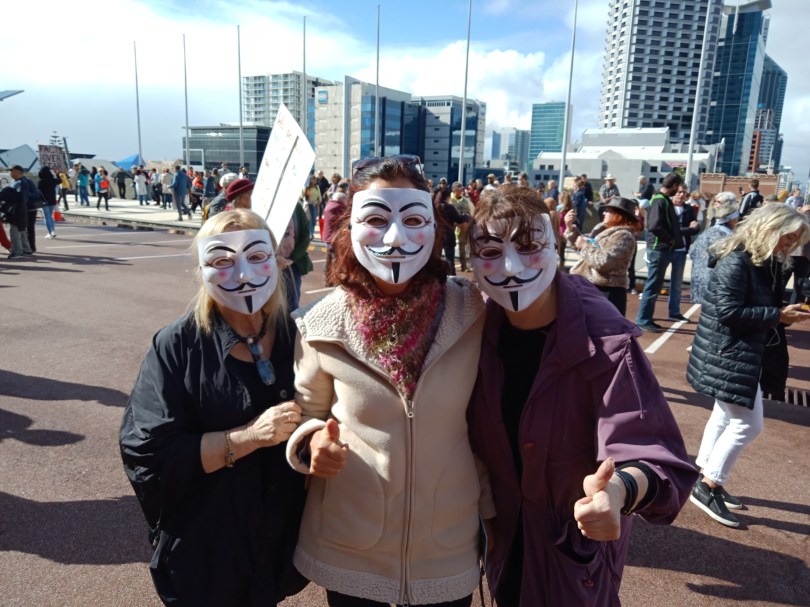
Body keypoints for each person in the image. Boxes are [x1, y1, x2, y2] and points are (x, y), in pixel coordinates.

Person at [466, 185, 696, 607]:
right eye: (491, 252)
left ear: (556, 245)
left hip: (572, 560)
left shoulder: (606, 343)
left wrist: (619, 491)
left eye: (529, 247)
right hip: (505, 546)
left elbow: (657, 460)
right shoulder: (474, 329)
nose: (511, 266)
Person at [285, 155, 486, 607]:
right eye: (376, 220)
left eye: (413, 220)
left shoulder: (473, 312)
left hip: (446, 544)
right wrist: (313, 443)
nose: (395, 238)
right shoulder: (320, 324)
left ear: (433, 227)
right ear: (348, 228)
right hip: (351, 544)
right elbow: (307, 412)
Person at [120, 209, 308, 606]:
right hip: (208, 549)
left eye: (257, 256)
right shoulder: (177, 346)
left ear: (277, 260)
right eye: (222, 260)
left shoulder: (299, 336)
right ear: (201, 270)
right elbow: (147, 453)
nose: (242, 273)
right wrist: (247, 438)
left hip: (276, 543)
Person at [686, 204, 810, 527]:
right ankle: (708, 485)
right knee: (747, 424)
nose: (789, 245)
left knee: (723, 415)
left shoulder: (761, 259)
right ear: (770, 228)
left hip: (734, 351)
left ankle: (705, 475)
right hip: (728, 352)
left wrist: (781, 313)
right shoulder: (738, 259)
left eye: (795, 240)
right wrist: (778, 316)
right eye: (788, 237)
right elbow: (729, 312)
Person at [565, 197, 642, 316]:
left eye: (608, 210)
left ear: (619, 215)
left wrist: (585, 246)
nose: (604, 213)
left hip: (606, 291)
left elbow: (604, 262)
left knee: (604, 327)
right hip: (592, 288)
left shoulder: (624, 236)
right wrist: (569, 226)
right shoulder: (602, 229)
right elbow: (581, 245)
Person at [635, 172, 684, 332]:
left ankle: (646, 318)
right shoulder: (659, 200)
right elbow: (655, 225)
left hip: (662, 248)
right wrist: (669, 240)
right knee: (652, 286)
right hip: (658, 249)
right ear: (674, 185)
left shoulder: (662, 199)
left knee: (655, 286)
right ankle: (643, 319)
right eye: (678, 188)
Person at [688, 192, 740, 305]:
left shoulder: (722, 231)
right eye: (716, 201)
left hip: (709, 284)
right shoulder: (720, 234)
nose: (716, 204)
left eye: (719, 202)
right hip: (714, 285)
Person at [668, 184, 701, 322]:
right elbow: (668, 229)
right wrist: (686, 229)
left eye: (685, 193)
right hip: (665, 249)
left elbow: (696, 228)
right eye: (679, 192)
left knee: (676, 284)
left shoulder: (688, 209)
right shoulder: (666, 206)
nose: (682, 195)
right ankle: (646, 317)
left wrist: (684, 229)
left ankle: (674, 312)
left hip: (681, 250)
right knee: (655, 284)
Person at [437, 186, 471, 276]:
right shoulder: (449, 207)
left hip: (436, 235)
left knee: (436, 258)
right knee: (449, 259)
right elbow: (458, 219)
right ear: (447, 197)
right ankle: (452, 277)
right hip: (448, 235)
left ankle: (435, 277)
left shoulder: (435, 207)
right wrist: (466, 217)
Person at [451, 181, 474, 272]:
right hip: (453, 226)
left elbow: (469, 212)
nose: (461, 191)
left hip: (465, 226)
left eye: (461, 189)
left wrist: (468, 221)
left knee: (466, 245)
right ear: (454, 189)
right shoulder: (451, 200)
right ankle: (460, 266)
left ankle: (468, 265)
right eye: (459, 189)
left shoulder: (465, 200)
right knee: (456, 246)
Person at [38, 166, 59, 239]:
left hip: (44, 201)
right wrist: (56, 174)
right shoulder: (53, 180)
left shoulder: (40, 182)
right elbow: (60, 180)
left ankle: (51, 232)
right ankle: (53, 231)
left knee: (47, 217)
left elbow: (39, 192)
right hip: (52, 200)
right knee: (50, 216)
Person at [302, 174, 321, 239]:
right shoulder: (306, 187)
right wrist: (305, 187)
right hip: (308, 205)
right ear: (310, 180)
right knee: (309, 220)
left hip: (314, 205)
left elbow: (319, 196)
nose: (315, 181)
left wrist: (319, 201)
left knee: (314, 220)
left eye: (315, 179)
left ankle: (311, 233)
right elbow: (302, 196)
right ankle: (311, 234)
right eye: (313, 179)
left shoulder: (317, 187)